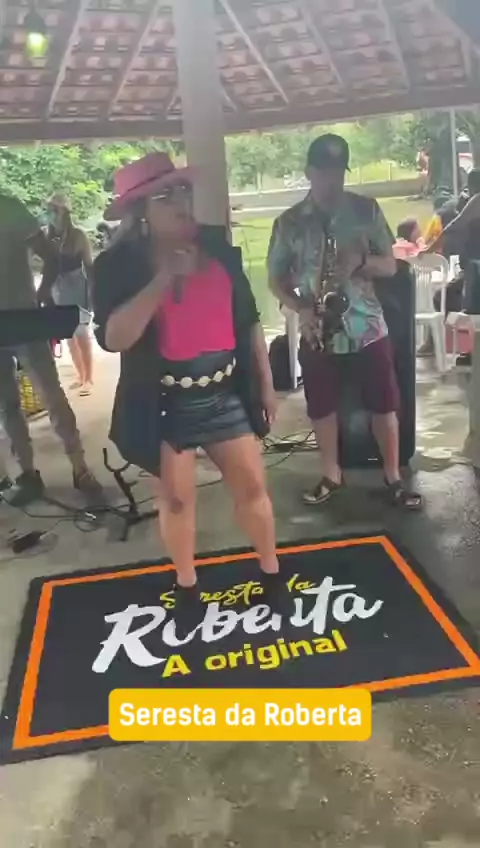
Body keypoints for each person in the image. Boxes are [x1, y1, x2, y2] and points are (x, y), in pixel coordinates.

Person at [92, 152, 291, 636]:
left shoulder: (217, 245)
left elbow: (249, 320)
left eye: (183, 190)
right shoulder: (117, 264)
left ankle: (271, 574)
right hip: (165, 401)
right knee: (177, 501)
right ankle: (186, 586)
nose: (181, 203)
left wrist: (265, 384)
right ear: (140, 212)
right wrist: (164, 279)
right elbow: (114, 338)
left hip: (226, 391)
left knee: (253, 490)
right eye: (165, 196)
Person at [268, 133, 422, 511]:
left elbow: (392, 266)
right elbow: (275, 279)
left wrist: (361, 262)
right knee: (322, 407)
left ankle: (393, 478)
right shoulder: (288, 223)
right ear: (309, 172)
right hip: (317, 328)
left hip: (367, 326)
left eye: (338, 172)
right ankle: (331, 476)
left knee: (385, 404)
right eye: (324, 172)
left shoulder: (366, 211)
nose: (332, 180)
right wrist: (300, 307)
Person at [0, 191, 102, 507]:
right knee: (7, 404)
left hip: (23, 318)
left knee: (51, 395)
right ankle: (27, 473)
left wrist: (43, 292)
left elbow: (51, 256)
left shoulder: (10, 207)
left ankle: (79, 466)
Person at [41, 193, 94, 396]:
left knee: (81, 332)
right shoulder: (45, 236)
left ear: (65, 212)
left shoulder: (78, 235)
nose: (52, 214)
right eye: (49, 210)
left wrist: (93, 293)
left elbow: (89, 266)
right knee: (68, 334)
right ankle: (80, 375)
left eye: (55, 210)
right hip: (57, 287)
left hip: (76, 285)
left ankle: (89, 378)